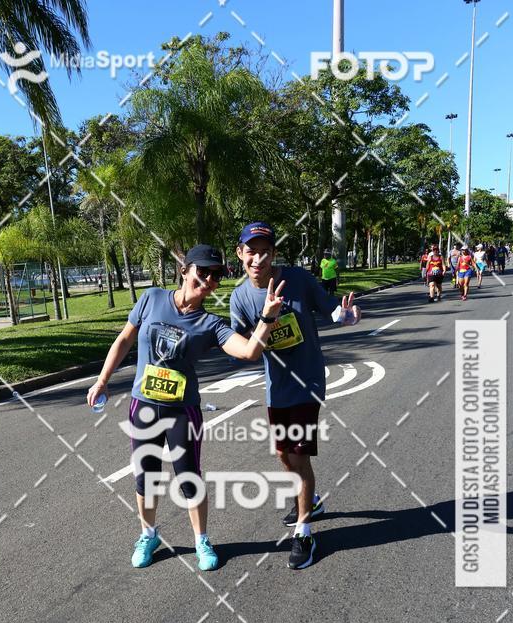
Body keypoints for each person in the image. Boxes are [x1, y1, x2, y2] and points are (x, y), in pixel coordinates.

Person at [87, 244, 283, 570]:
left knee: (189, 479)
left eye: (215, 276)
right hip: (144, 407)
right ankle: (148, 535)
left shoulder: (211, 324)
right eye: (202, 272)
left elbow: (249, 352)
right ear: (185, 270)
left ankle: (201, 541)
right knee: (145, 478)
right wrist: (102, 380)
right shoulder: (152, 299)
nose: (207, 280)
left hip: (182, 411)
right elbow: (124, 339)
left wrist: (266, 319)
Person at [229, 221, 361, 570]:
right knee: (284, 456)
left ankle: (304, 532)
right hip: (277, 387)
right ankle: (312, 502)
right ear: (240, 254)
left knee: (298, 458)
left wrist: (345, 316)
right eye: (250, 250)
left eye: (264, 250)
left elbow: (332, 308)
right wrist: (266, 320)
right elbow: (243, 347)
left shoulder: (299, 280)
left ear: (273, 252)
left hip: (307, 382)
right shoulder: (240, 297)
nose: (257, 258)